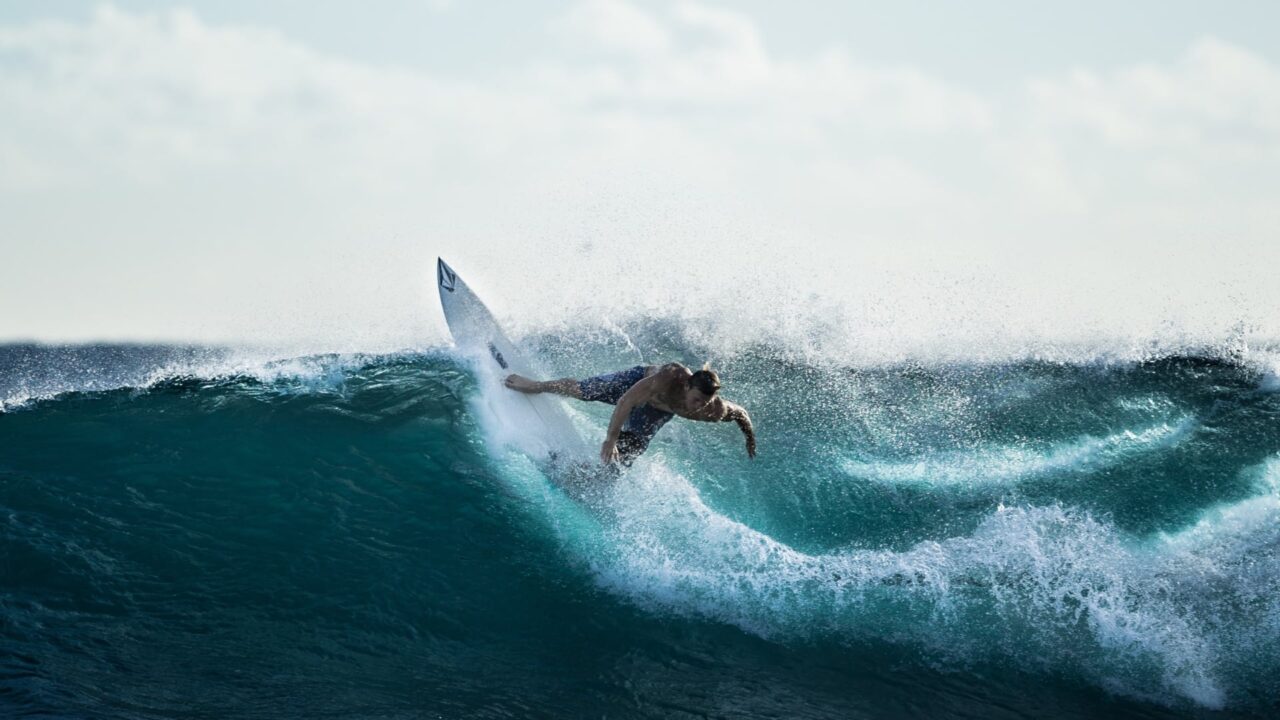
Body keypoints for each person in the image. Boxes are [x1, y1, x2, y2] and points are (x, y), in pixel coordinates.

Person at [504, 362, 756, 466]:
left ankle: (593, 478)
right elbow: (625, 402)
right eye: (696, 399)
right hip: (634, 386)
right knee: (585, 391)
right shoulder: (669, 377)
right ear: (687, 385)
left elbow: (741, 414)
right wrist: (610, 439)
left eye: (704, 402)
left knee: (629, 453)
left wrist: (749, 438)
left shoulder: (713, 410)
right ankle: (536, 385)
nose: (699, 406)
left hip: (656, 413)